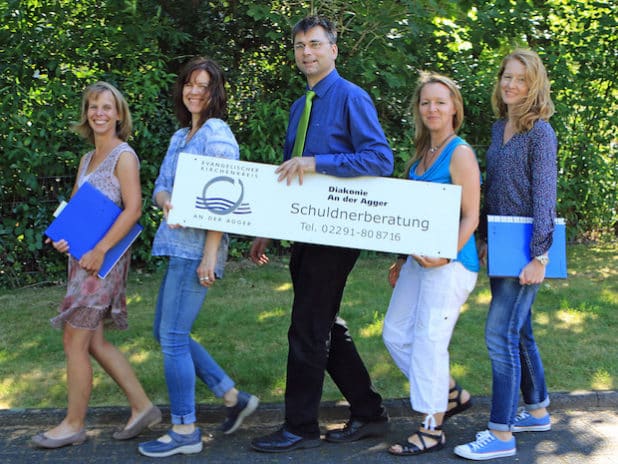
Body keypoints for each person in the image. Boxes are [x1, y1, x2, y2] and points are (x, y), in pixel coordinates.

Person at [249, 15, 393, 453]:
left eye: (315, 44)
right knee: (324, 324)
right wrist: (268, 229)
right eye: (299, 46)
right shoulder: (300, 105)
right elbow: (289, 176)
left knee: (307, 329)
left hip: (337, 233)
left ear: (333, 49)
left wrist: (318, 161)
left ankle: (300, 428)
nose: (306, 52)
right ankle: (369, 413)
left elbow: (379, 159)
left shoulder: (351, 98)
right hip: (302, 231)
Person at [137, 57, 258, 458]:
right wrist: (166, 199)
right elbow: (159, 186)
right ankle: (231, 396)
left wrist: (211, 254)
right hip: (177, 246)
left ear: (215, 92)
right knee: (165, 333)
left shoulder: (217, 134)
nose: (195, 91)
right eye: (190, 83)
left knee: (172, 338)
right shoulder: (180, 136)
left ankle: (185, 429)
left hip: (197, 251)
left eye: (204, 86)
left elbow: (225, 199)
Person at [32, 82, 161, 449]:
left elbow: (134, 208)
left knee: (74, 338)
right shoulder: (87, 159)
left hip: (104, 260)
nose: (99, 113)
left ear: (119, 114)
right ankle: (142, 406)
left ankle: (74, 424)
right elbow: (75, 212)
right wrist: (64, 237)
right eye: (93, 106)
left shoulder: (124, 155)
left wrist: (102, 250)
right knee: (94, 341)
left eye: (107, 107)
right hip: (83, 258)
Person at [454, 48, 557, 460]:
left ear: (534, 85)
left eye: (521, 78)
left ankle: (500, 436)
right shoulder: (500, 129)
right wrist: (480, 234)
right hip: (499, 241)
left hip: (526, 249)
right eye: (507, 77)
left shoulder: (540, 132)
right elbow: (492, 186)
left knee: (501, 335)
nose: (511, 84)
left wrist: (540, 256)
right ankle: (537, 410)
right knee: (521, 331)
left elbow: (544, 197)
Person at [382, 72, 480, 456]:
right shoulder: (422, 155)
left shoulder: (460, 153)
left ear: (454, 107)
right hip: (417, 261)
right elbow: (413, 215)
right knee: (394, 333)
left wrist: (444, 255)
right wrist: (402, 256)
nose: (432, 108)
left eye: (440, 102)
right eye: (426, 102)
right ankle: (449, 394)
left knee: (429, 344)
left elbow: (471, 217)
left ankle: (431, 427)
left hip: (451, 263)